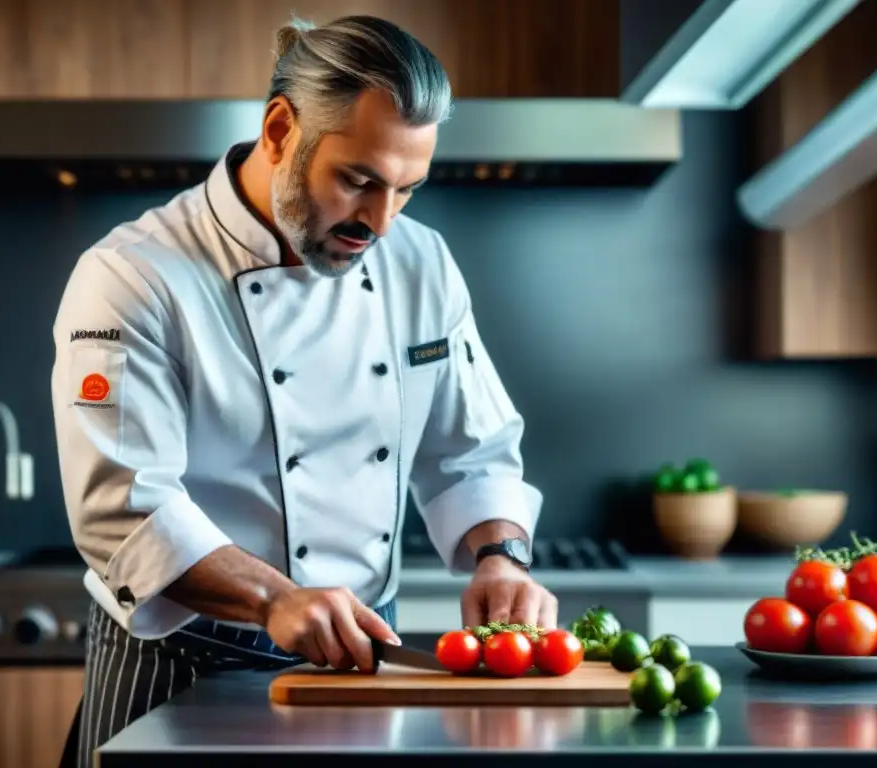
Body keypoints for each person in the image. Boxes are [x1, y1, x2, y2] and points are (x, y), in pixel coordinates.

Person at [50, 14, 556, 768]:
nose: (381, 222)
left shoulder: (421, 263)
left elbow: (470, 448)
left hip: (357, 665)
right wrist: (271, 599)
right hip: (181, 665)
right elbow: (125, 511)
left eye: (407, 190)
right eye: (358, 181)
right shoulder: (135, 276)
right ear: (282, 129)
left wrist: (501, 559)